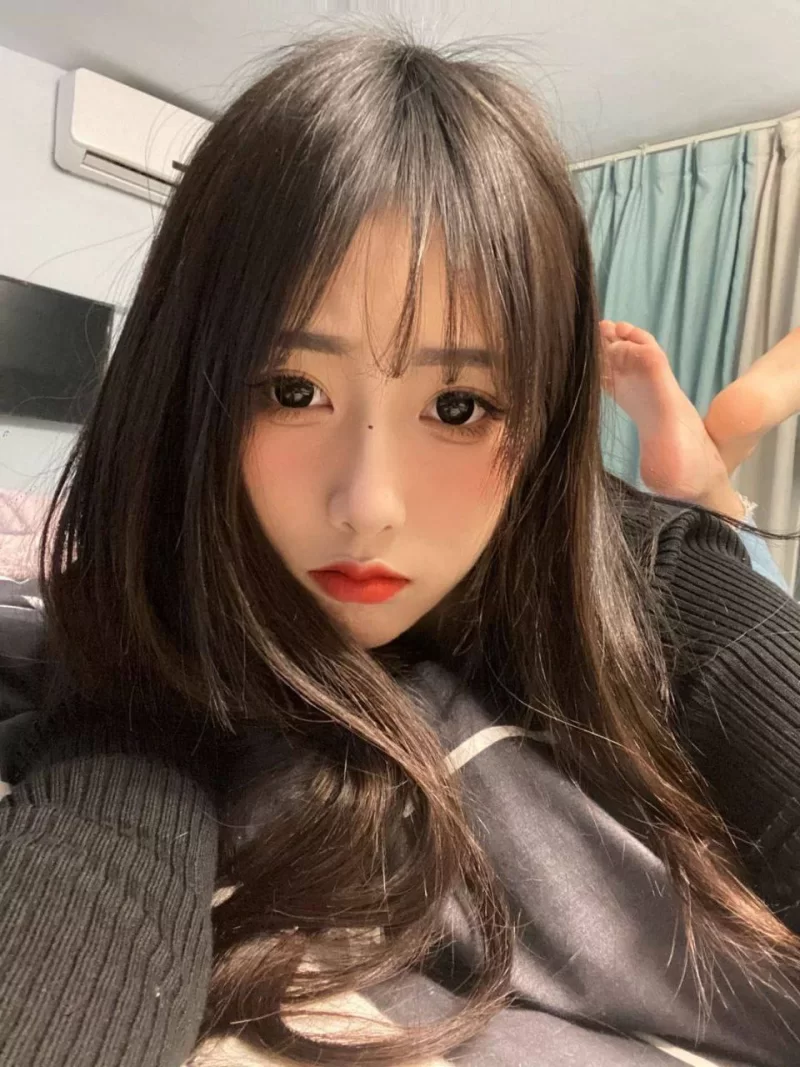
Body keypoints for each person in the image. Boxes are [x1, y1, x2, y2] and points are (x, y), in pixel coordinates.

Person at [2, 27, 800, 1067]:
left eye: (458, 405)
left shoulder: (661, 581)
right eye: (293, 390)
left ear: (544, 420)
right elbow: (100, 861)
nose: (368, 506)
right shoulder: (149, 626)